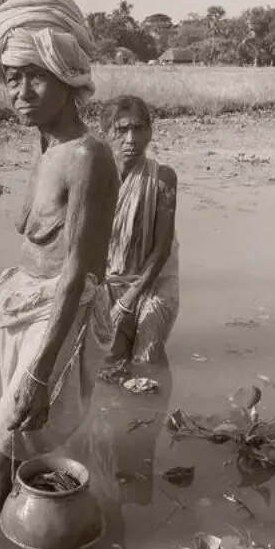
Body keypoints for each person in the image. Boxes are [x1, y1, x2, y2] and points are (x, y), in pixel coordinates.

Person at [0, 0, 119, 515]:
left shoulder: (89, 156)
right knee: (14, 444)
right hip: (26, 305)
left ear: (67, 78)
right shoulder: (47, 146)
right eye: (12, 78)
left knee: (1, 448)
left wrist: (39, 374)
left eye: (35, 76)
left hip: (59, 313)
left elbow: (78, 273)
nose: (20, 91)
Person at [101, 95, 180, 369]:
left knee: (146, 363)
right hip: (108, 280)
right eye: (121, 130)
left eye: (138, 129)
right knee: (107, 361)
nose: (131, 139)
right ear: (106, 134)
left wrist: (125, 304)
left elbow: (161, 250)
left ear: (149, 132)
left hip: (154, 282)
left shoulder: (163, 179)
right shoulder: (95, 178)